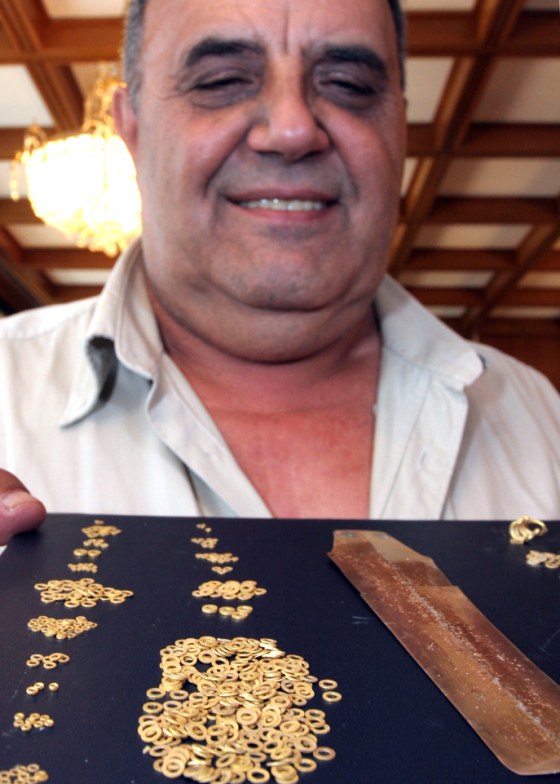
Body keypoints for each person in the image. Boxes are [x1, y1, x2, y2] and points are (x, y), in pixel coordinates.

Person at [0, 0, 558, 548]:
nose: (293, 129)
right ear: (132, 130)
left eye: (349, 85)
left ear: (400, 130)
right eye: (222, 81)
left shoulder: (542, 422)